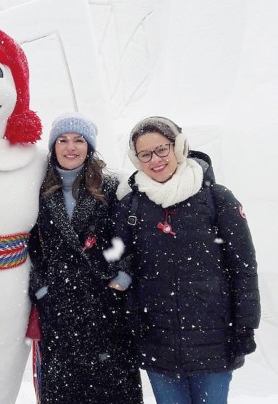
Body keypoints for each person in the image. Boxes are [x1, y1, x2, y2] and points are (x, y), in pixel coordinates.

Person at [112, 116, 261, 404]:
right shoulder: (131, 206)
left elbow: (244, 268)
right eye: (145, 154)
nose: (155, 159)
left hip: (214, 342)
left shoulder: (217, 199)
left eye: (162, 149)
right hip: (159, 344)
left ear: (178, 147)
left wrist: (245, 326)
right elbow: (117, 259)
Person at [28, 112, 143, 404]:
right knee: (66, 391)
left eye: (79, 140)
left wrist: (123, 276)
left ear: (89, 146)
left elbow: (129, 238)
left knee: (112, 389)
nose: (71, 147)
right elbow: (30, 247)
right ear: (53, 146)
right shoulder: (37, 189)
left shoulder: (111, 186)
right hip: (59, 307)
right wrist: (41, 288)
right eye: (63, 140)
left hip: (104, 306)